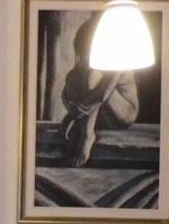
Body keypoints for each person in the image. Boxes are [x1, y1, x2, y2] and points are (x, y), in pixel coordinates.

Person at [59, 15, 140, 167]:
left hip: (124, 114)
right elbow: (65, 91)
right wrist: (70, 109)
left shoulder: (120, 58)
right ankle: (82, 127)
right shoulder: (86, 59)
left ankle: (87, 135)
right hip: (99, 114)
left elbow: (103, 94)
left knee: (92, 76)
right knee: (73, 75)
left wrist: (71, 117)